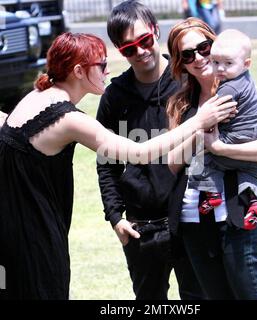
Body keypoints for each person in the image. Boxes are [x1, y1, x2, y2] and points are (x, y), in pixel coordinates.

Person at [0, 31, 235, 300]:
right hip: (35, 238)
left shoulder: (33, 98)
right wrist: (198, 121)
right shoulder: (69, 118)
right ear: (78, 70)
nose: (107, 70)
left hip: (10, 232)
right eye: (101, 65)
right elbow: (139, 152)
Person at [95, 0, 230, 300]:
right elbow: (107, 164)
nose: (140, 51)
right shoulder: (114, 97)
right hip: (140, 225)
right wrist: (116, 217)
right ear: (119, 50)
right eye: (129, 48)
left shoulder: (188, 79)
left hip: (190, 218)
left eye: (144, 40)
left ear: (156, 31)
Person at [166, 17, 257, 299]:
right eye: (187, 54)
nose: (198, 57)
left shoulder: (248, 93)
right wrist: (200, 127)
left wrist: (220, 148)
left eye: (203, 47)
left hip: (238, 211)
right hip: (193, 218)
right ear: (180, 63)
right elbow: (174, 164)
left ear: (215, 44)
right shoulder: (181, 104)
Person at [188, 29, 257, 230]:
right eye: (216, 62)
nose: (220, 69)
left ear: (246, 63)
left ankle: (212, 194)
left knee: (201, 159)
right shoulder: (248, 79)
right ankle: (256, 203)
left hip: (234, 136)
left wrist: (207, 132)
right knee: (254, 174)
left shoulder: (228, 88)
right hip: (255, 135)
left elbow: (215, 115)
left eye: (228, 63)